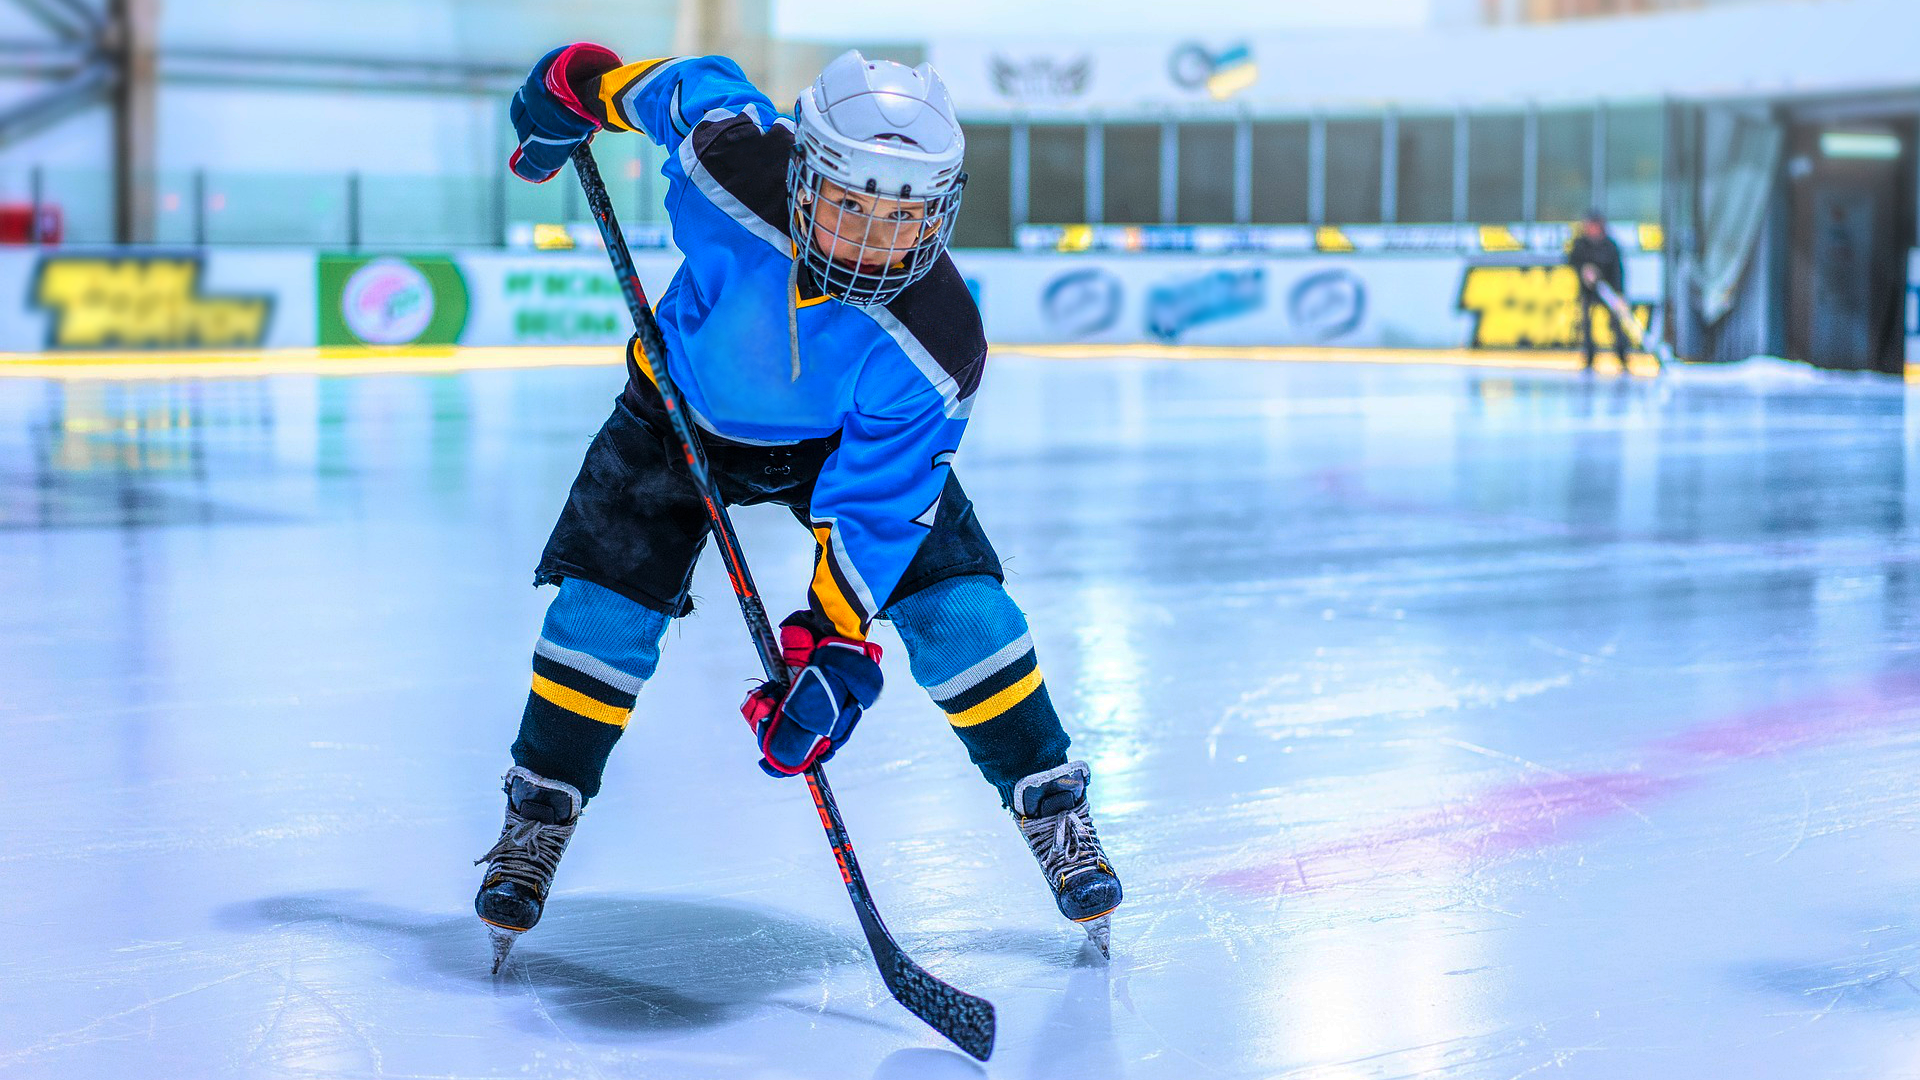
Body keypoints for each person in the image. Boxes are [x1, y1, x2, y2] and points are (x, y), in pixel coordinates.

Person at [472, 44, 1123, 969]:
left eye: (902, 215)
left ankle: (1051, 803)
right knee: (599, 612)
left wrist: (827, 640)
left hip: (834, 447)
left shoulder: (938, 337)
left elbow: (879, 507)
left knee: (963, 611)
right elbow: (686, 89)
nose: (872, 237)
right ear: (804, 174)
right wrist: (586, 82)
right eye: (850, 203)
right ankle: (538, 814)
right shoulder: (729, 168)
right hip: (680, 412)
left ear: (938, 210)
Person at [1568, 210, 1628, 373]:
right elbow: (1572, 259)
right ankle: (1589, 358)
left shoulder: (1610, 246)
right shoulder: (1581, 244)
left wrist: (1619, 294)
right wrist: (1584, 270)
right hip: (1588, 293)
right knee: (1586, 324)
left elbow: (1618, 271)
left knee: (1616, 324)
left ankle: (1623, 357)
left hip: (1608, 292)